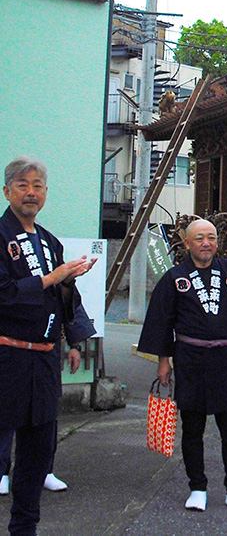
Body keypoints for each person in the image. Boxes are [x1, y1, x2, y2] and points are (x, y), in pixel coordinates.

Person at [137, 220, 227, 514]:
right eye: (199, 238)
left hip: (225, 361)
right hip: (190, 360)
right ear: (187, 243)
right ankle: (197, 487)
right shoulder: (175, 278)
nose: (206, 243)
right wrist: (164, 362)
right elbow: (161, 322)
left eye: (211, 237)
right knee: (193, 429)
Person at [0, 156, 97, 535]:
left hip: (43, 359)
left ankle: (24, 528)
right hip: (7, 355)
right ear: (7, 190)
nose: (31, 192)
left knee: (37, 449)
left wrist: (72, 337)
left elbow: (61, 295)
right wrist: (50, 278)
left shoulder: (48, 240)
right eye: (23, 184)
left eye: (38, 185)